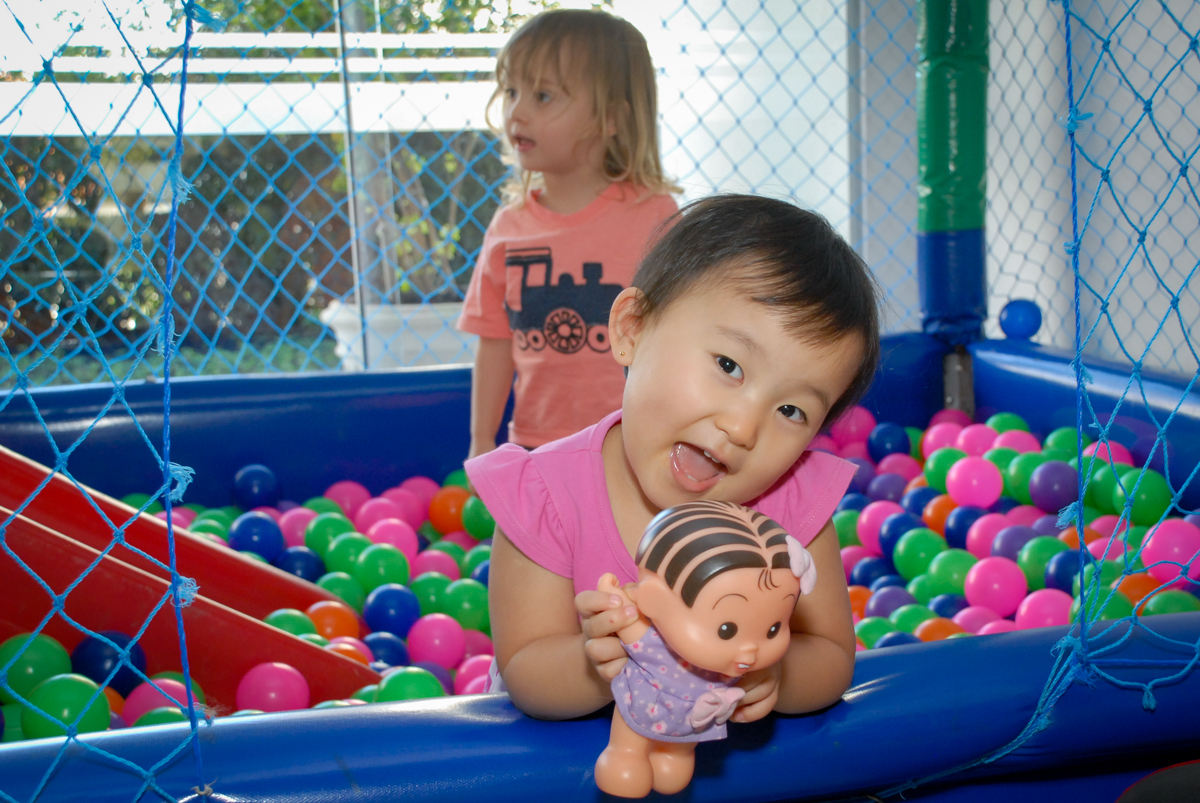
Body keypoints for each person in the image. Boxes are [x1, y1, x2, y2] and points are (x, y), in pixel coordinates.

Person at [466, 195, 881, 732]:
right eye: (729, 365)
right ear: (632, 330)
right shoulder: (545, 495)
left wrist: (772, 677)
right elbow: (526, 671)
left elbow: (829, 654)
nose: (743, 426)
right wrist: (597, 664)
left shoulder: (789, 507)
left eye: (791, 410)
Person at [458, 9, 679, 457]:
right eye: (512, 92)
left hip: (630, 446)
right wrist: (482, 438)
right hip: (538, 446)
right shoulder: (509, 227)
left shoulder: (653, 216)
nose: (516, 111)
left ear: (611, 119)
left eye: (543, 96)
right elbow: (496, 342)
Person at [594, 500, 814, 797]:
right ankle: (624, 752)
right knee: (628, 754)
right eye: (727, 630)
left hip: (692, 724)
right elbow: (625, 617)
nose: (750, 651)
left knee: (676, 767)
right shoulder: (652, 644)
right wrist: (611, 596)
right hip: (642, 708)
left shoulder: (734, 666)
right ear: (654, 601)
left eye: (773, 629)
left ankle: (674, 754)